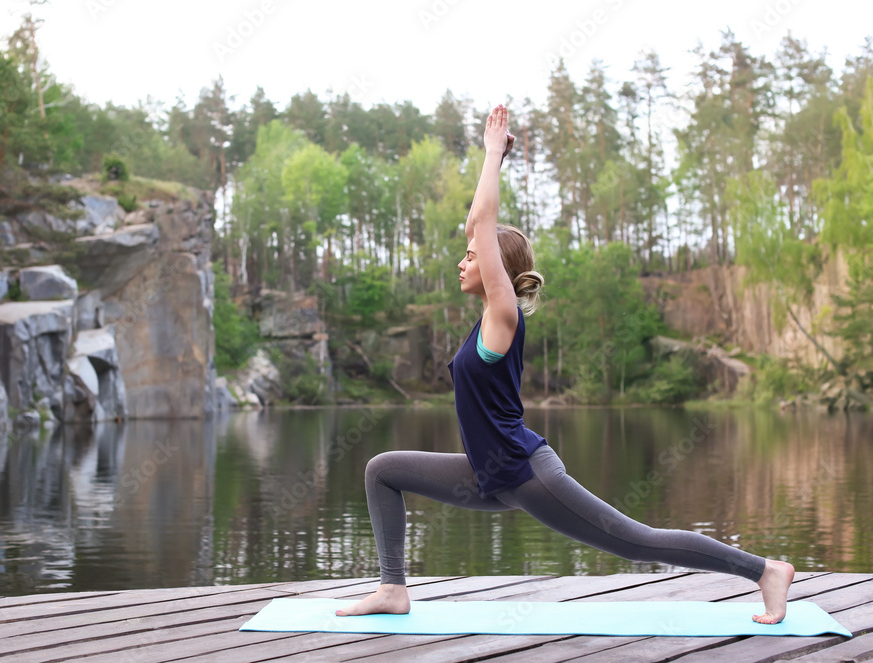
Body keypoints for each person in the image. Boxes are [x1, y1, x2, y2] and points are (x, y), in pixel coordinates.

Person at [335, 104, 795, 624]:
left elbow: (481, 222)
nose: (462, 260)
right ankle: (392, 590)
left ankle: (764, 571)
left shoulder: (501, 316)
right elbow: (480, 227)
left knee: (635, 543)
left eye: (471, 255)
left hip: (528, 474)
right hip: (490, 474)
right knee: (382, 471)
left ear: (496, 270)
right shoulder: (484, 323)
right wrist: (496, 163)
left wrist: (491, 155)